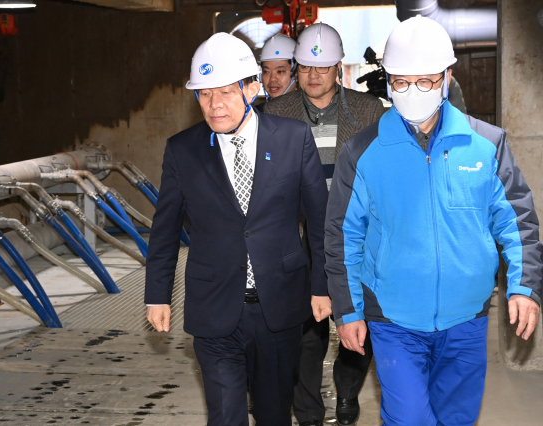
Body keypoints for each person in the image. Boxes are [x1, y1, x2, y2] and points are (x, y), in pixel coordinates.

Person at [325, 16, 542, 426]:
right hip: (393, 320)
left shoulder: (486, 144)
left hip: (467, 318)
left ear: (447, 77)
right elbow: (342, 237)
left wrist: (524, 287)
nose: (413, 92)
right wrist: (348, 311)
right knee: (408, 418)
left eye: (425, 81)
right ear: (388, 81)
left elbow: (518, 223)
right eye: (402, 82)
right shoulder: (362, 152)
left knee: (456, 418)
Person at [145, 32, 331, 426]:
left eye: (226, 92)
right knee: (226, 415)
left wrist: (322, 287)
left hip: (279, 306)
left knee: (273, 413)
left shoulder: (293, 139)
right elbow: (164, 230)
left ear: (252, 88)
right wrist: (157, 295)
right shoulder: (182, 150)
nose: (214, 106)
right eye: (205, 94)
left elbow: (319, 222)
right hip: (214, 306)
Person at [264, 23, 384, 426]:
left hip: (355, 238)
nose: (313, 76)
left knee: (358, 320)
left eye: (323, 68)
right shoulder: (275, 112)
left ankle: (348, 396)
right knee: (306, 330)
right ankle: (309, 411)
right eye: (305, 68)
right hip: (299, 239)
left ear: (338, 68)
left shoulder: (368, 110)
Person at [255, 33, 298, 112]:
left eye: (280, 71)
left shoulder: (311, 114)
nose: (272, 79)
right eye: (266, 71)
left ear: (296, 73)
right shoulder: (254, 116)